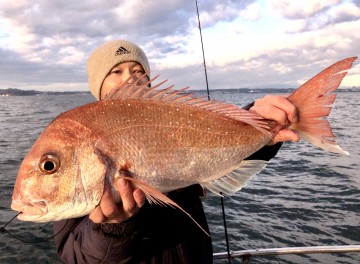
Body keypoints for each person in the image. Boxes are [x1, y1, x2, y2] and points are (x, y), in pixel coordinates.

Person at [53, 40, 299, 263]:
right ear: (98, 84)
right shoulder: (78, 139)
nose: (130, 78)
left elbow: (215, 141)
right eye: (116, 71)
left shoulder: (171, 120)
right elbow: (74, 254)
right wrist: (112, 228)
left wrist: (259, 122)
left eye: (139, 71)